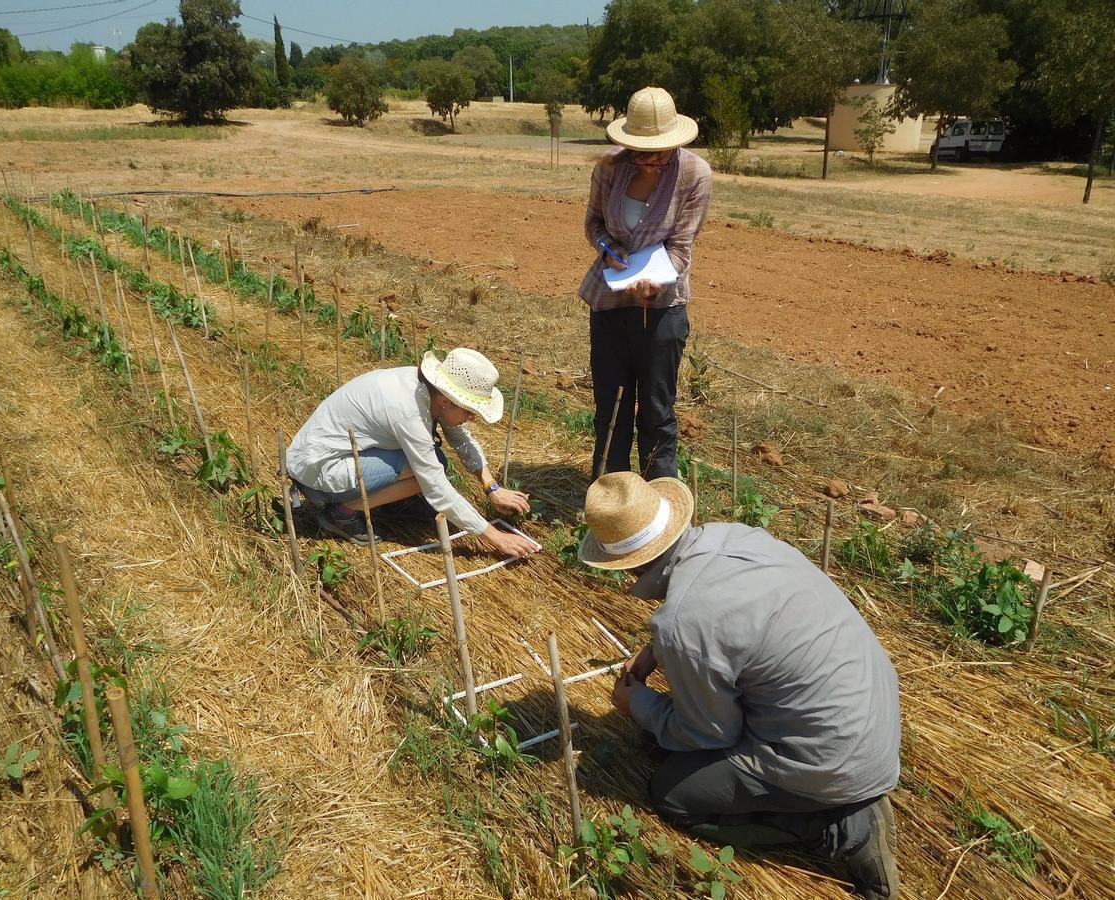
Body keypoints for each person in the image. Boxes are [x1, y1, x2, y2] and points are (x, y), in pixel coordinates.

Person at [579, 472, 901, 899]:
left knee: (673, 793)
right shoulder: (735, 538)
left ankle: (840, 825)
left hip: (833, 760)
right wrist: (658, 648)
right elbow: (733, 625)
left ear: (627, 566)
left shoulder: (685, 624)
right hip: (870, 717)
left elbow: (709, 734)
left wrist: (638, 703)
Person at [285, 347, 540, 559]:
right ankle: (341, 512)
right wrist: (495, 537)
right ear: (447, 401)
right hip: (320, 472)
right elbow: (436, 487)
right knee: (427, 473)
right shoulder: (407, 410)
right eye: (469, 411)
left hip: (323, 459)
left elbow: (460, 438)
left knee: (435, 460)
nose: (471, 418)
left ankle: (389, 501)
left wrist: (491, 486)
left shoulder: (424, 389)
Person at [580, 86, 713, 482]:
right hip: (609, 303)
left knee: (657, 410)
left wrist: (655, 284)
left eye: (659, 149)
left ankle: (659, 503)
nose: (650, 157)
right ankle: (612, 498)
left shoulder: (695, 175)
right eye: (641, 150)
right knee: (612, 408)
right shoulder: (608, 169)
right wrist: (606, 248)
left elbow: (681, 245)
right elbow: (593, 224)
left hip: (664, 308)